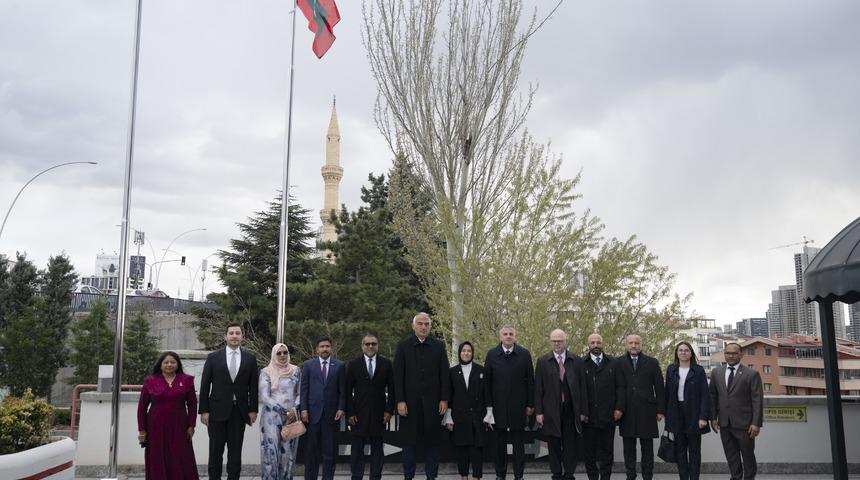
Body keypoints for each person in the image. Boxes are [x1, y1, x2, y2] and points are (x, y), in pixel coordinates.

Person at [393, 312, 451, 480]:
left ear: (430, 327)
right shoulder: (403, 346)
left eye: (426, 324)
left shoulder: (439, 346)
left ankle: (431, 477)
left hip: (433, 404)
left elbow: (444, 374)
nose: (423, 327)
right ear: (413, 326)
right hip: (409, 404)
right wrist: (400, 400)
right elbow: (398, 375)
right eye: (420, 323)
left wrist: (444, 399)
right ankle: (408, 477)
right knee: (408, 443)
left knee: (432, 443)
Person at [199, 323, 260, 480]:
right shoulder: (213, 358)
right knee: (215, 452)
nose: (234, 336)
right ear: (225, 336)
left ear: (242, 337)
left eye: (237, 333)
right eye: (231, 333)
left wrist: (253, 409)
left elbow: (253, 388)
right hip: (216, 412)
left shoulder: (250, 359)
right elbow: (204, 385)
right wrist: (204, 411)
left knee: (235, 453)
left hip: (239, 413)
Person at [137, 351, 199, 480]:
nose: (169, 365)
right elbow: (142, 407)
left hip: (180, 426)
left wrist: (191, 425)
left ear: (177, 364)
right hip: (155, 427)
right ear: (160, 365)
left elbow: (192, 405)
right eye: (166, 362)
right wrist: (142, 430)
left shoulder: (187, 380)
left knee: (181, 457)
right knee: (158, 457)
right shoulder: (150, 381)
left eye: (173, 362)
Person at [535, 329, 588, 480]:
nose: (557, 343)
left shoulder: (576, 360)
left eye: (560, 340)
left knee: (570, 445)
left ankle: (569, 474)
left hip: (571, 410)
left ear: (565, 341)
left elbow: (583, 387)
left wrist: (583, 411)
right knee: (554, 445)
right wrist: (539, 412)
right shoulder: (543, 361)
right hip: (551, 411)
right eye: (554, 341)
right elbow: (538, 388)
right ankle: (556, 474)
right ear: (550, 342)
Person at [483, 325, 534, 480]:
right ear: (500, 337)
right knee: (499, 447)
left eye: (511, 334)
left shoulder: (524, 354)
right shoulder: (491, 355)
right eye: (505, 334)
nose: (508, 336)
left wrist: (530, 404)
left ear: (515, 336)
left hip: (518, 409)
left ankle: (519, 476)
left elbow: (530, 382)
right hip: (498, 409)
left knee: (519, 447)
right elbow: (487, 384)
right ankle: (500, 475)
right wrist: (489, 407)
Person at [709, 342, 763, 480]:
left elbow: (757, 400)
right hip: (725, 423)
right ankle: (735, 477)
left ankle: (749, 478)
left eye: (734, 353)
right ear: (724, 354)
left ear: (741, 354)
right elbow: (713, 396)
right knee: (731, 456)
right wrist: (713, 418)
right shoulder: (716, 372)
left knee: (748, 456)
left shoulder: (751, 374)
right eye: (728, 353)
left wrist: (756, 423)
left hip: (745, 425)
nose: (731, 355)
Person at [346, 334, 395, 480]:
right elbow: (347, 391)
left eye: (373, 344)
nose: (370, 346)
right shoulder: (353, 364)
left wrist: (388, 410)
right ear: (362, 346)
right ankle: (356, 476)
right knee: (356, 450)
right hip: (358, 415)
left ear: (377, 346)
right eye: (367, 344)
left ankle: (375, 476)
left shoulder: (386, 364)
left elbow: (392, 390)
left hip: (379, 414)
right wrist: (350, 413)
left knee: (377, 450)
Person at [617, 334, 665, 480]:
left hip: (647, 411)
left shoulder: (651, 362)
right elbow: (616, 387)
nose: (633, 345)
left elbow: (659, 387)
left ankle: (647, 476)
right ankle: (630, 475)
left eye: (636, 343)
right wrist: (617, 408)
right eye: (630, 343)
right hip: (626, 411)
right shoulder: (618, 362)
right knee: (629, 448)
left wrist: (660, 410)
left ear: (641, 344)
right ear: (626, 345)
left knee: (647, 448)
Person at [300, 336, 347, 480]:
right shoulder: (308, 365)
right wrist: (304, 409)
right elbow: (304, 389)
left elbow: (343, 390)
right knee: (311, 452)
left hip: (331, 416)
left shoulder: (339, 365)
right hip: (312, 415)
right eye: (322, 346)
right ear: (317, 349)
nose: (324, 349)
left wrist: (341, 408)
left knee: (329, 453)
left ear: (331, 348)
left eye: (327, 346)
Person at [664, 341, 710, 480]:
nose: (683, 352)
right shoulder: (671, 369)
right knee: (680, 450)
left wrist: (703, 417)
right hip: (676, 412)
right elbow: (667, 393)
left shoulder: (698, 370)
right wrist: (667, 414)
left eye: (686, 350)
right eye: (680, 350)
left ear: (691, 353)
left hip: (694, 413)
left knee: (695, 451)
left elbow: (705, 394)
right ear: (676, 353)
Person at [582, 333, 625, 480]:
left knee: (607, 451)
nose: (595, 345)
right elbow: (579, 390)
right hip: (588, 417)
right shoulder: (581, 363)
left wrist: (619, 408)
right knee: (589, 452)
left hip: (609, 415)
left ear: (603, 343)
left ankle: (605, 477)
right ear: (588, 344)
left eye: (598, 342)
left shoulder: (614, 362)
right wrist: (582, 411)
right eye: (592, 342)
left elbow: (620, 387)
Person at [444, 341, 487, 480]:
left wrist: (489, 415)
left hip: (477, 417)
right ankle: (464, 476)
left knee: (477, 450)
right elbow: (449, 396)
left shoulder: (481, 370)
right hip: (459, 417)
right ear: (459, 353)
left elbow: (486, 394)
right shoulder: (451, 372)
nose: (466, 353)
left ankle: (477, 477)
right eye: (463, 350)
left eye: (469, 351)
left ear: (472, 353)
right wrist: (448, 418)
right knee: (462, 449)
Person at [259, 343, 302, 480]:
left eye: (285, 352)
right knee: (271, 453)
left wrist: (294, 410)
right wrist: (283, 411)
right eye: (279, 353)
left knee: (288, 454)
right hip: (271, 418)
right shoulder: (266, 371)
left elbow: (301, 393)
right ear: (274, 355)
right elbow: (264, 396)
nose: (282, 355)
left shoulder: (296, 371)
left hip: (292, 417)